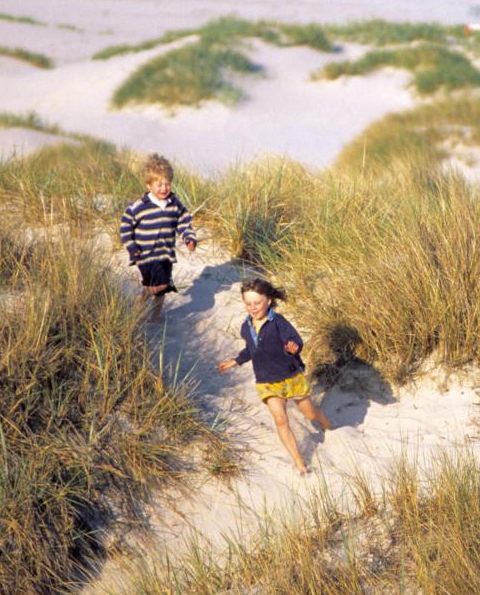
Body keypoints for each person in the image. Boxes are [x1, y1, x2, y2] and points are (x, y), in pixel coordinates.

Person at [216, 278, 331, 475]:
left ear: (268, 301)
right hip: (266, 382)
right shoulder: (246, 327)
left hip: (290, 377)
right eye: (248, 303)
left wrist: (293, 347)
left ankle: (329, 427)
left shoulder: (278, 322)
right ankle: (300, 463)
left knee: (310, 414)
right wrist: (236, 360)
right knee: (280, 420)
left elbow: (295, 340)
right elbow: (251, 349)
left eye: (257, 303)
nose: (253, 308)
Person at [119, 153, 197, 318]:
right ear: (149, 185)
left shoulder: (175, 204)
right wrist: (131, 247)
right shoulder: (139, 206)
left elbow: (184, 221)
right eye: (159, 185)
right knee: (161, 284)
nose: (164, 188)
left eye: (167, 184)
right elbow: (125, 226)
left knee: (162, 288)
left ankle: (155, 317)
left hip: (166, 254)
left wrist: (189, 237)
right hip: (145, 254)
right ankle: (139, 304)